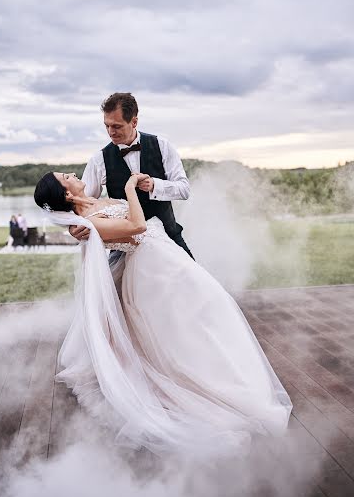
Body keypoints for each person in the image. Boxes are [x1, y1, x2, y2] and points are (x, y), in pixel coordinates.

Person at [34, 170, 292, 459]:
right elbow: (136, 225)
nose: (72, 173)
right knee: (181, 331)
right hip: (151, 274)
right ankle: (205, 389)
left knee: (211, 310)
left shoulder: (96, 203)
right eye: (65, 176)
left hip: (170, 258)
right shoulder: (89, 223)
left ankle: (232, 377)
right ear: (67, 194)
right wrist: (130, 187)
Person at [70, 92, 194, 259]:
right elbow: (80, 201)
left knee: (194, 282)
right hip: (126, 250)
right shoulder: (99, 160)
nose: (110, 132)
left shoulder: (162, 146)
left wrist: (155, 185)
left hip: (169, 238)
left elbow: (184, 189)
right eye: (106, 125)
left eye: (116, 126)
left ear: (134, 121)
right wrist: (73, 227)